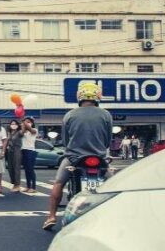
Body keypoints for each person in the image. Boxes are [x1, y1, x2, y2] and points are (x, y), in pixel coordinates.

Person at [43, 82, 113, 231]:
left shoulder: (70, 114)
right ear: (97, 97)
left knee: (58, 183)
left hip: (74, 159)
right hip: (99, 159)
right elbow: (108, 140)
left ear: (79, 97)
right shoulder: (106, 114)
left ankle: (51, 216)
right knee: (113, 183)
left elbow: (66, 140)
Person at [20, 117, 38, 194]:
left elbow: (31, 130)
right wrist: (23, 125)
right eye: (25, 122)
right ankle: (28, 186)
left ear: (32, 123)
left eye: (29, 122)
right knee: (26, 170)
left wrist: (25, 123)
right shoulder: (23, 131)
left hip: (31, 151)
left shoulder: (34, 130)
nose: (27, 123)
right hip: (23, 150)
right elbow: (21, 134)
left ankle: (33, 187)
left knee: (31, 169)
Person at [5, 119, 23, 192]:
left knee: (16, 168)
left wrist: (22, 122)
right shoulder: (9, 132)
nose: (13, 125)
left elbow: (23, 131)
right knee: (10, 168)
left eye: (15, 124)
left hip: (17, 150)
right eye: (12, 124)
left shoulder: (19, 132)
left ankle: (17, 185)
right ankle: (14, 184)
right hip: (9, 151)